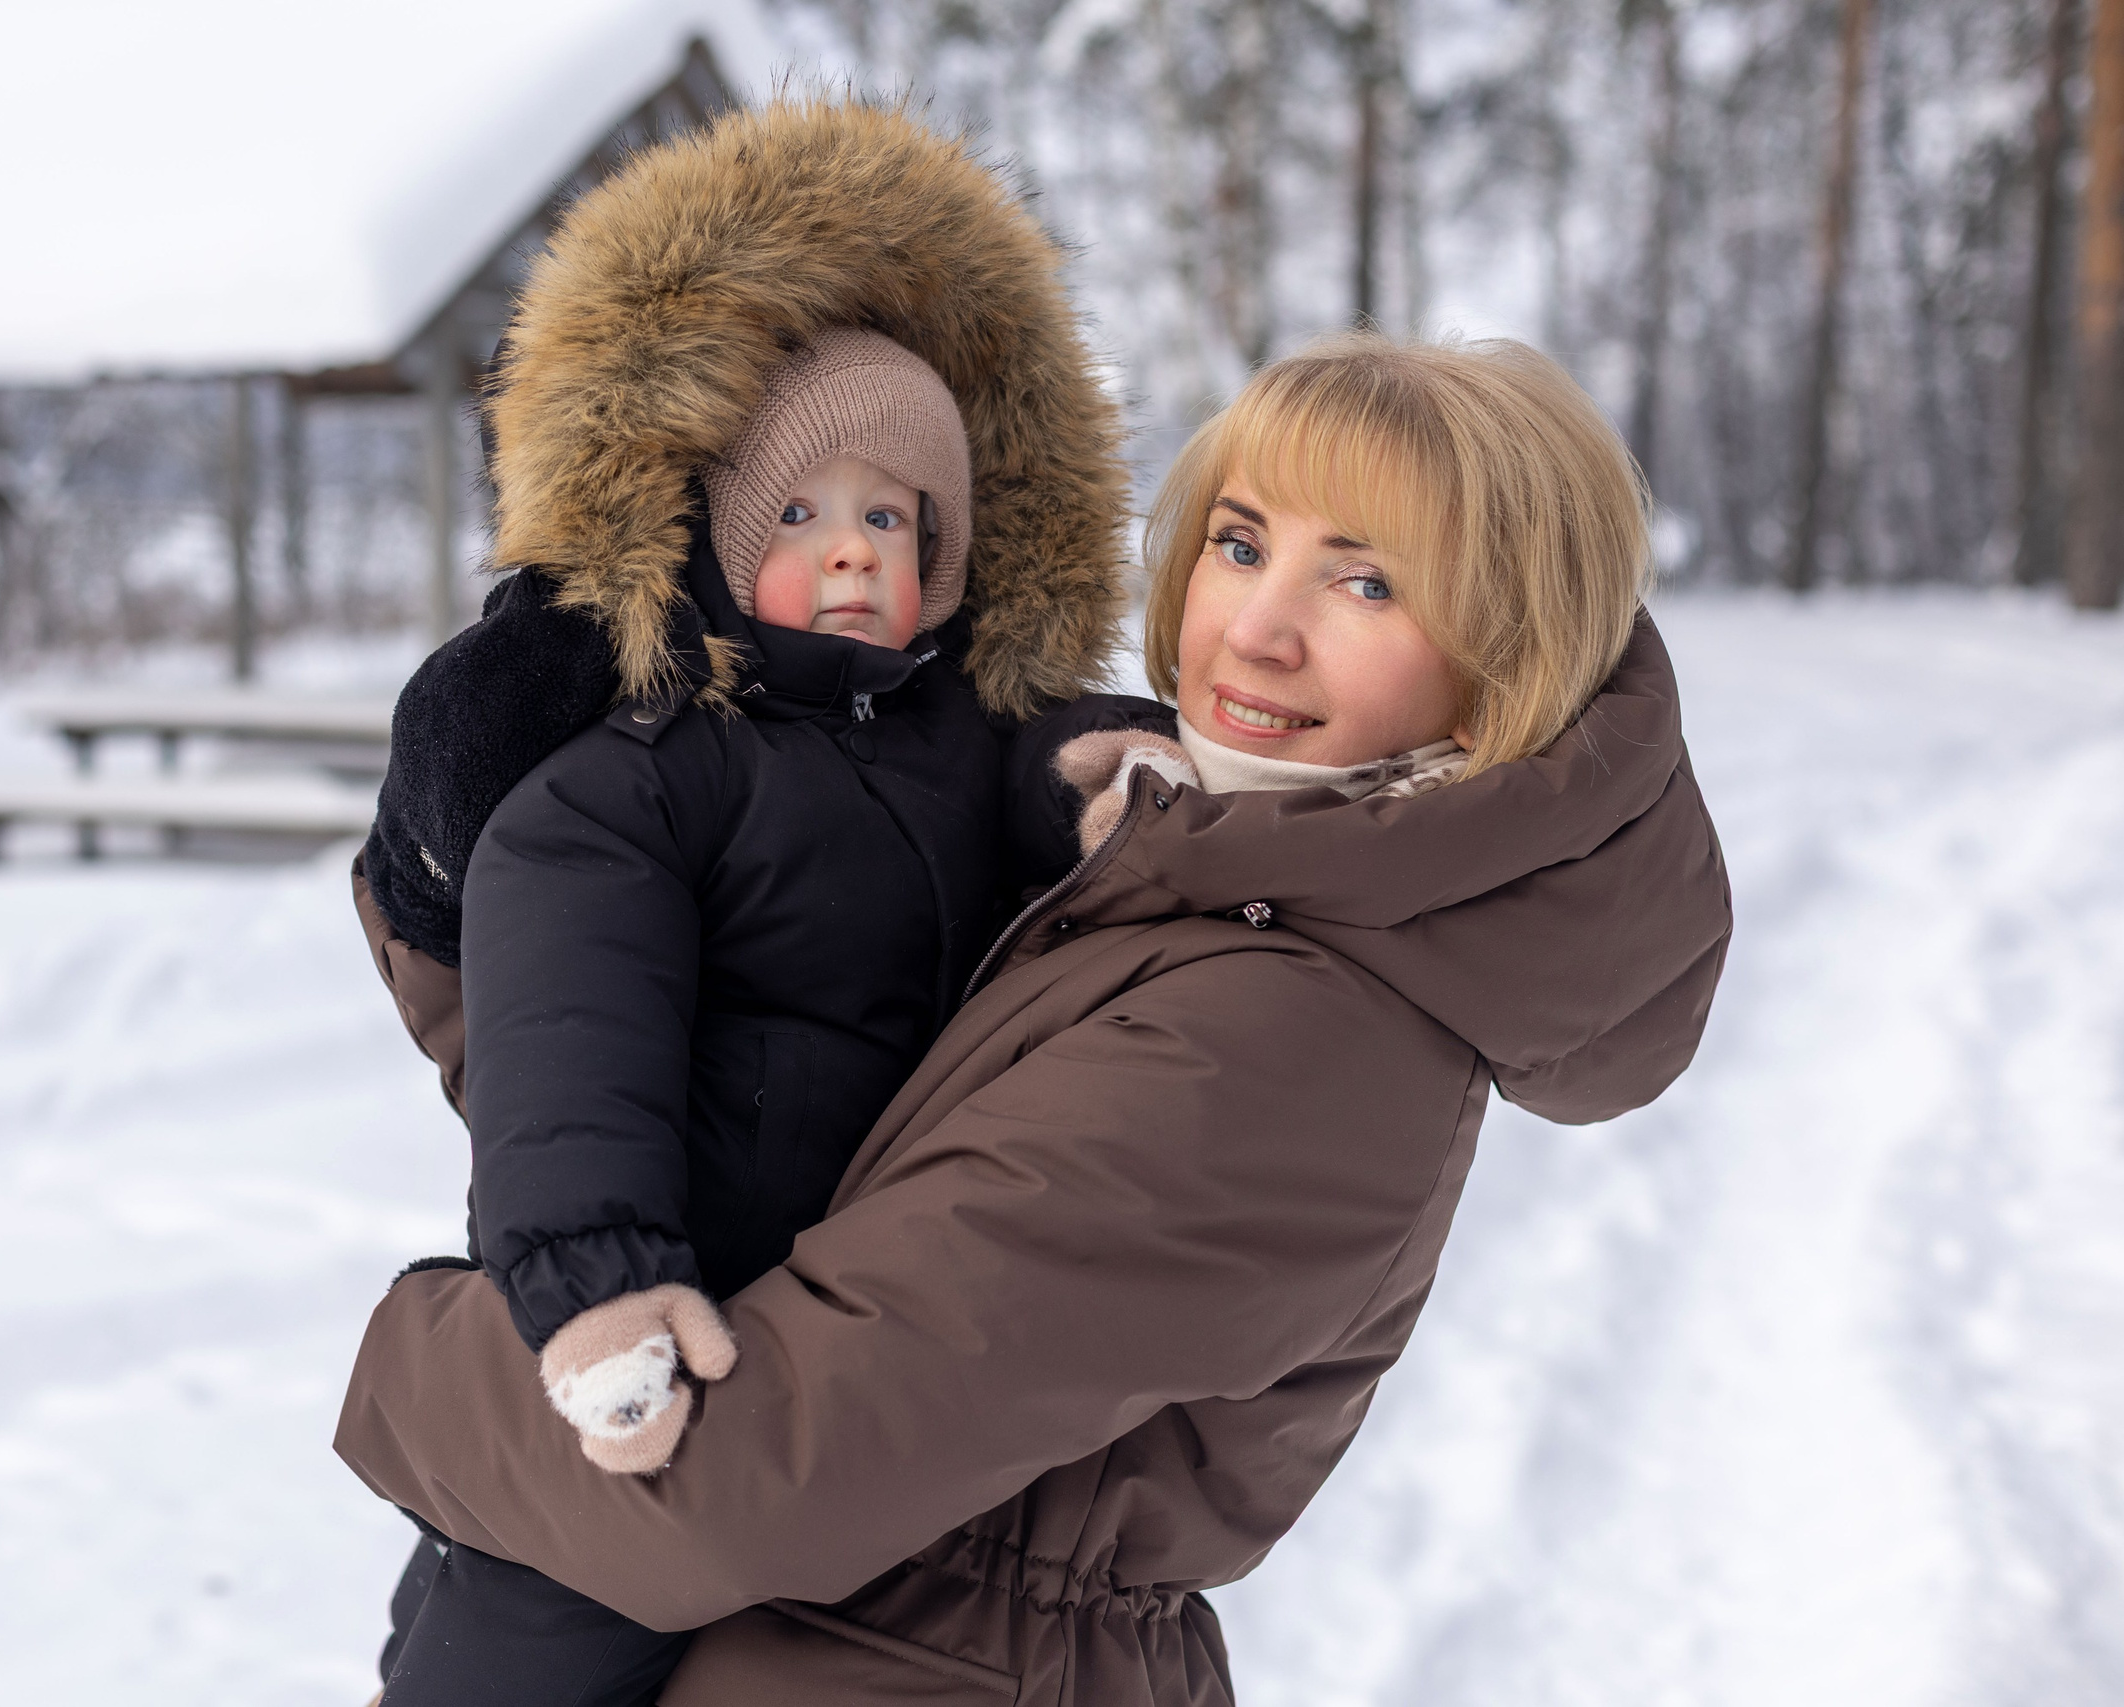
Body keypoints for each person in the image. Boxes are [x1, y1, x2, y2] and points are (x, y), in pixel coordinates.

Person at [339, 321, 1736, 1706]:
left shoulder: (1287, 1038)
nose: (1257, 629)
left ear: (1502, 662)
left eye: (1367, 584)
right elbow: (738, 1102)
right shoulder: (1167, 872)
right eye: (1241, 544)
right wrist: (478, 888)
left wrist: (415, 1356)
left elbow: (740, 1482)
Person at [349, 101, 1160, 1705]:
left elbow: (1025, 769)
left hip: (841, 1358)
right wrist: (594, 1287)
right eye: (801, 514)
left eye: (892, 519)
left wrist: (1099, 769)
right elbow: (569, 1042)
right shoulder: (646, 773)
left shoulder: (958, 743)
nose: (853, 554)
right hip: (658, 1304)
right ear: (718, 536)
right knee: (541, 1620)